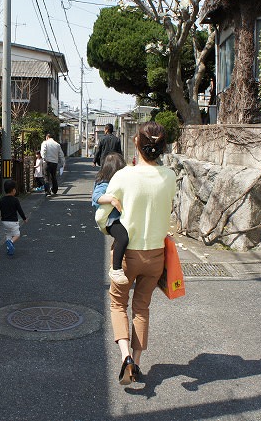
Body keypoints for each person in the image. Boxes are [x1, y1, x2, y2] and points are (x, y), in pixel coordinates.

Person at [94, 121, 177, 385]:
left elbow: (101, 216)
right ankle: (138, 363)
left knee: (119, 304)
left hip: (127, 255)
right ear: (162, 148)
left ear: (136, 144)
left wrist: (111, 228)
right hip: (156, 256)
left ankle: (125, 356)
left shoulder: (123, 176)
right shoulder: (170, 176)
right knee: (142, 308)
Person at [92, 152, 129, 285]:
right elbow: (96, 197)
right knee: (123, 238)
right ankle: (116, 269)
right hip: (110, 220)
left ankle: (117, 260)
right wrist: (112, 200)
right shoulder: (104, 183)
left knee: (121, 240)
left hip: (118, 218)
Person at [0, 179, 28, 256]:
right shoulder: (15, 200)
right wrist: (24, 218)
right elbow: (20, 210)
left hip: (4, 222)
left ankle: (9, 249)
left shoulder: (1, 200)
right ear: (13, 190)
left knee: (8, 235)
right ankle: (11, 243)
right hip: (13, 221)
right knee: (17, 235)